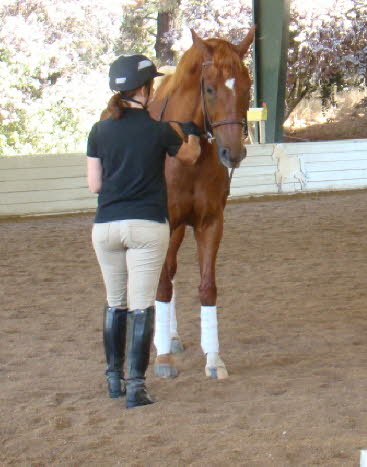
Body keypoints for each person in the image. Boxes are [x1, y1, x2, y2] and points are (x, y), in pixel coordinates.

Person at [86, 54, 202, 408]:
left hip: (105, 227)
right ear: (145, 89)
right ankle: (136, 385)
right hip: (146, 226)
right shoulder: (159, 130)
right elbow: (189, 158)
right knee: (141, 306)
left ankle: (113, 379)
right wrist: (193, 134)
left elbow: (94, 185)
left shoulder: (98, 130)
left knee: (114, 303)